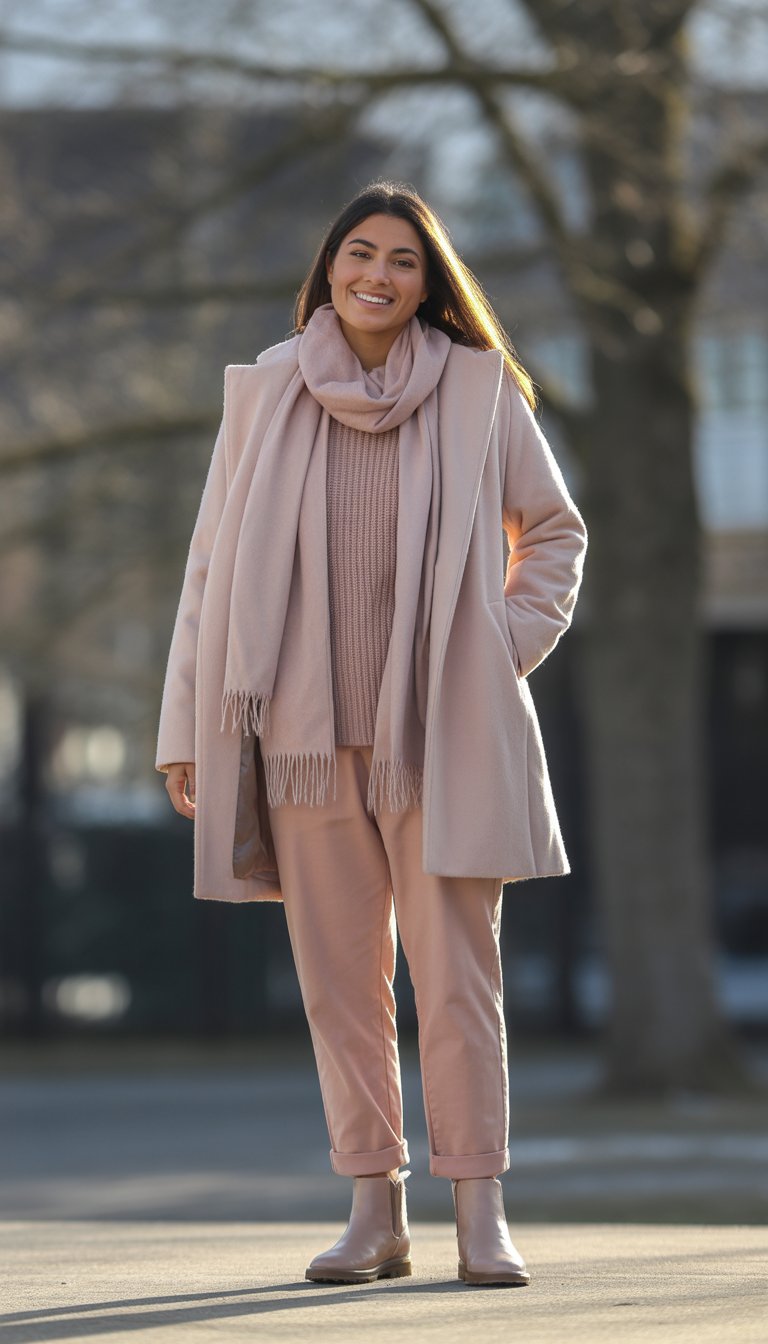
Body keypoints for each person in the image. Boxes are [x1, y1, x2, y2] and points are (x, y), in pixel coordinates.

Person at [155, 180, 588, 1287]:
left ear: (429, 282)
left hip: (439, 735)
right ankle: (374, 1212)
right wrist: (187, 727)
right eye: (361, 253)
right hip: (299, 740)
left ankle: (480, 1210)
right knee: (341, 985)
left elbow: (552, 533)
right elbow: (209, 568)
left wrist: (498, 651)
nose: (378, 276)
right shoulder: (265, 393)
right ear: (330, 267)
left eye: (403, 260)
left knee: (455, 978)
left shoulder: (482, 394)